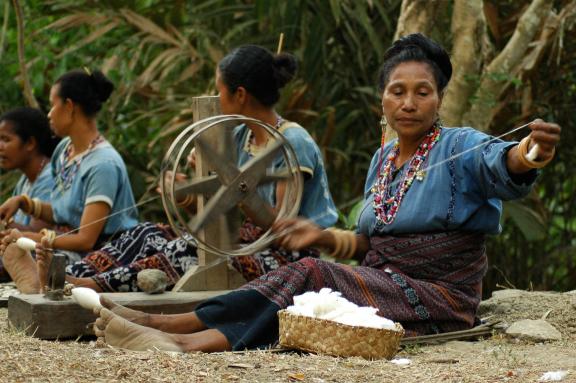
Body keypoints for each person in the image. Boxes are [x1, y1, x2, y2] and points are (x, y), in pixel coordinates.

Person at [89, 33, 561, 352]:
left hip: (438, 297)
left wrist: (531, 152)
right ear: (383, 98)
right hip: (383, 280)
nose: (409, 102)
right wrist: (318, 235)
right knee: (305, 271)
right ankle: (171, 323)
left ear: (438, 98)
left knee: (312, 275)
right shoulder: (382, 161)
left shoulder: (461, 145)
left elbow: (503, 162)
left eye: (423, 92)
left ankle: (187, 337)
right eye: (398, 91)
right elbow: (363, 243)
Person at [1, 45, 338, 293]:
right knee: (146, 232)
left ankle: (81, 286)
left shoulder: (293, 142)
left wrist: (228, 183)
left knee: (185, 250)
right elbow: (217, 207)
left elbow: (280, 229)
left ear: (239, 94)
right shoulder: (238, 135)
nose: (214, 97)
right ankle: (64, 274)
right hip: (236, 238)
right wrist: (185, 191)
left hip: (285, 256)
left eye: (217, 90)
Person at [0, 69, 138, 293]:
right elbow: (61, 212)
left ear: (70, 106)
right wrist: (24, 202)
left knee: (42, 255)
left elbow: (85, 239)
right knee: (25, 249)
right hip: (66, 243)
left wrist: (31, 237)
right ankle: (39, 279)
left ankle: (39, 282)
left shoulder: (102, 164)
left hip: (102, 251)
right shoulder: (64, 150)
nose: (49, 114)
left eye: (53, 105)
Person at [0, 107, 59, 281]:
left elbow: (38, 233)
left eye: (6, 139)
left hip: (41, 256)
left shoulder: (49, 177)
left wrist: (5, 226)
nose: (0, 147)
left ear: (30, 144)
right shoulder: (25, 181)